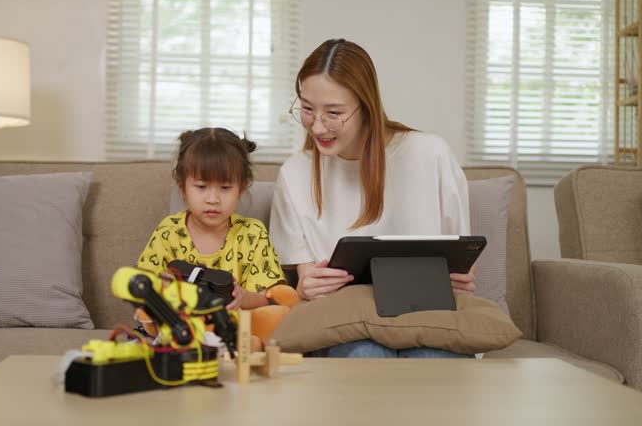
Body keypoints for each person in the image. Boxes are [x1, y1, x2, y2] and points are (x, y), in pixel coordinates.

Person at [269, 39, 475, 358]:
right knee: (365, 356)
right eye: (307, 109)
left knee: (433, 361)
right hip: (344, 323)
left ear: (366, 106)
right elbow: (304, 281)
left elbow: (461, 257)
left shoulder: (430, 154)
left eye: (334, 113)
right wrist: (306, 287)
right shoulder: (294, 174)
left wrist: (461, 279)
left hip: (427, 318)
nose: (318, 126)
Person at [136, 127, 285, 316]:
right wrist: (161, 291)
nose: (213, 199)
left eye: (225, 187)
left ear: (241, 189)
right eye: (201, 187)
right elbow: (142, 288)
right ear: (182, 187)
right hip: (180, 333)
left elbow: (269, 298)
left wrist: (243, 296)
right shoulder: (169, 231)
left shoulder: (252, 233)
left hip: (233, 335)